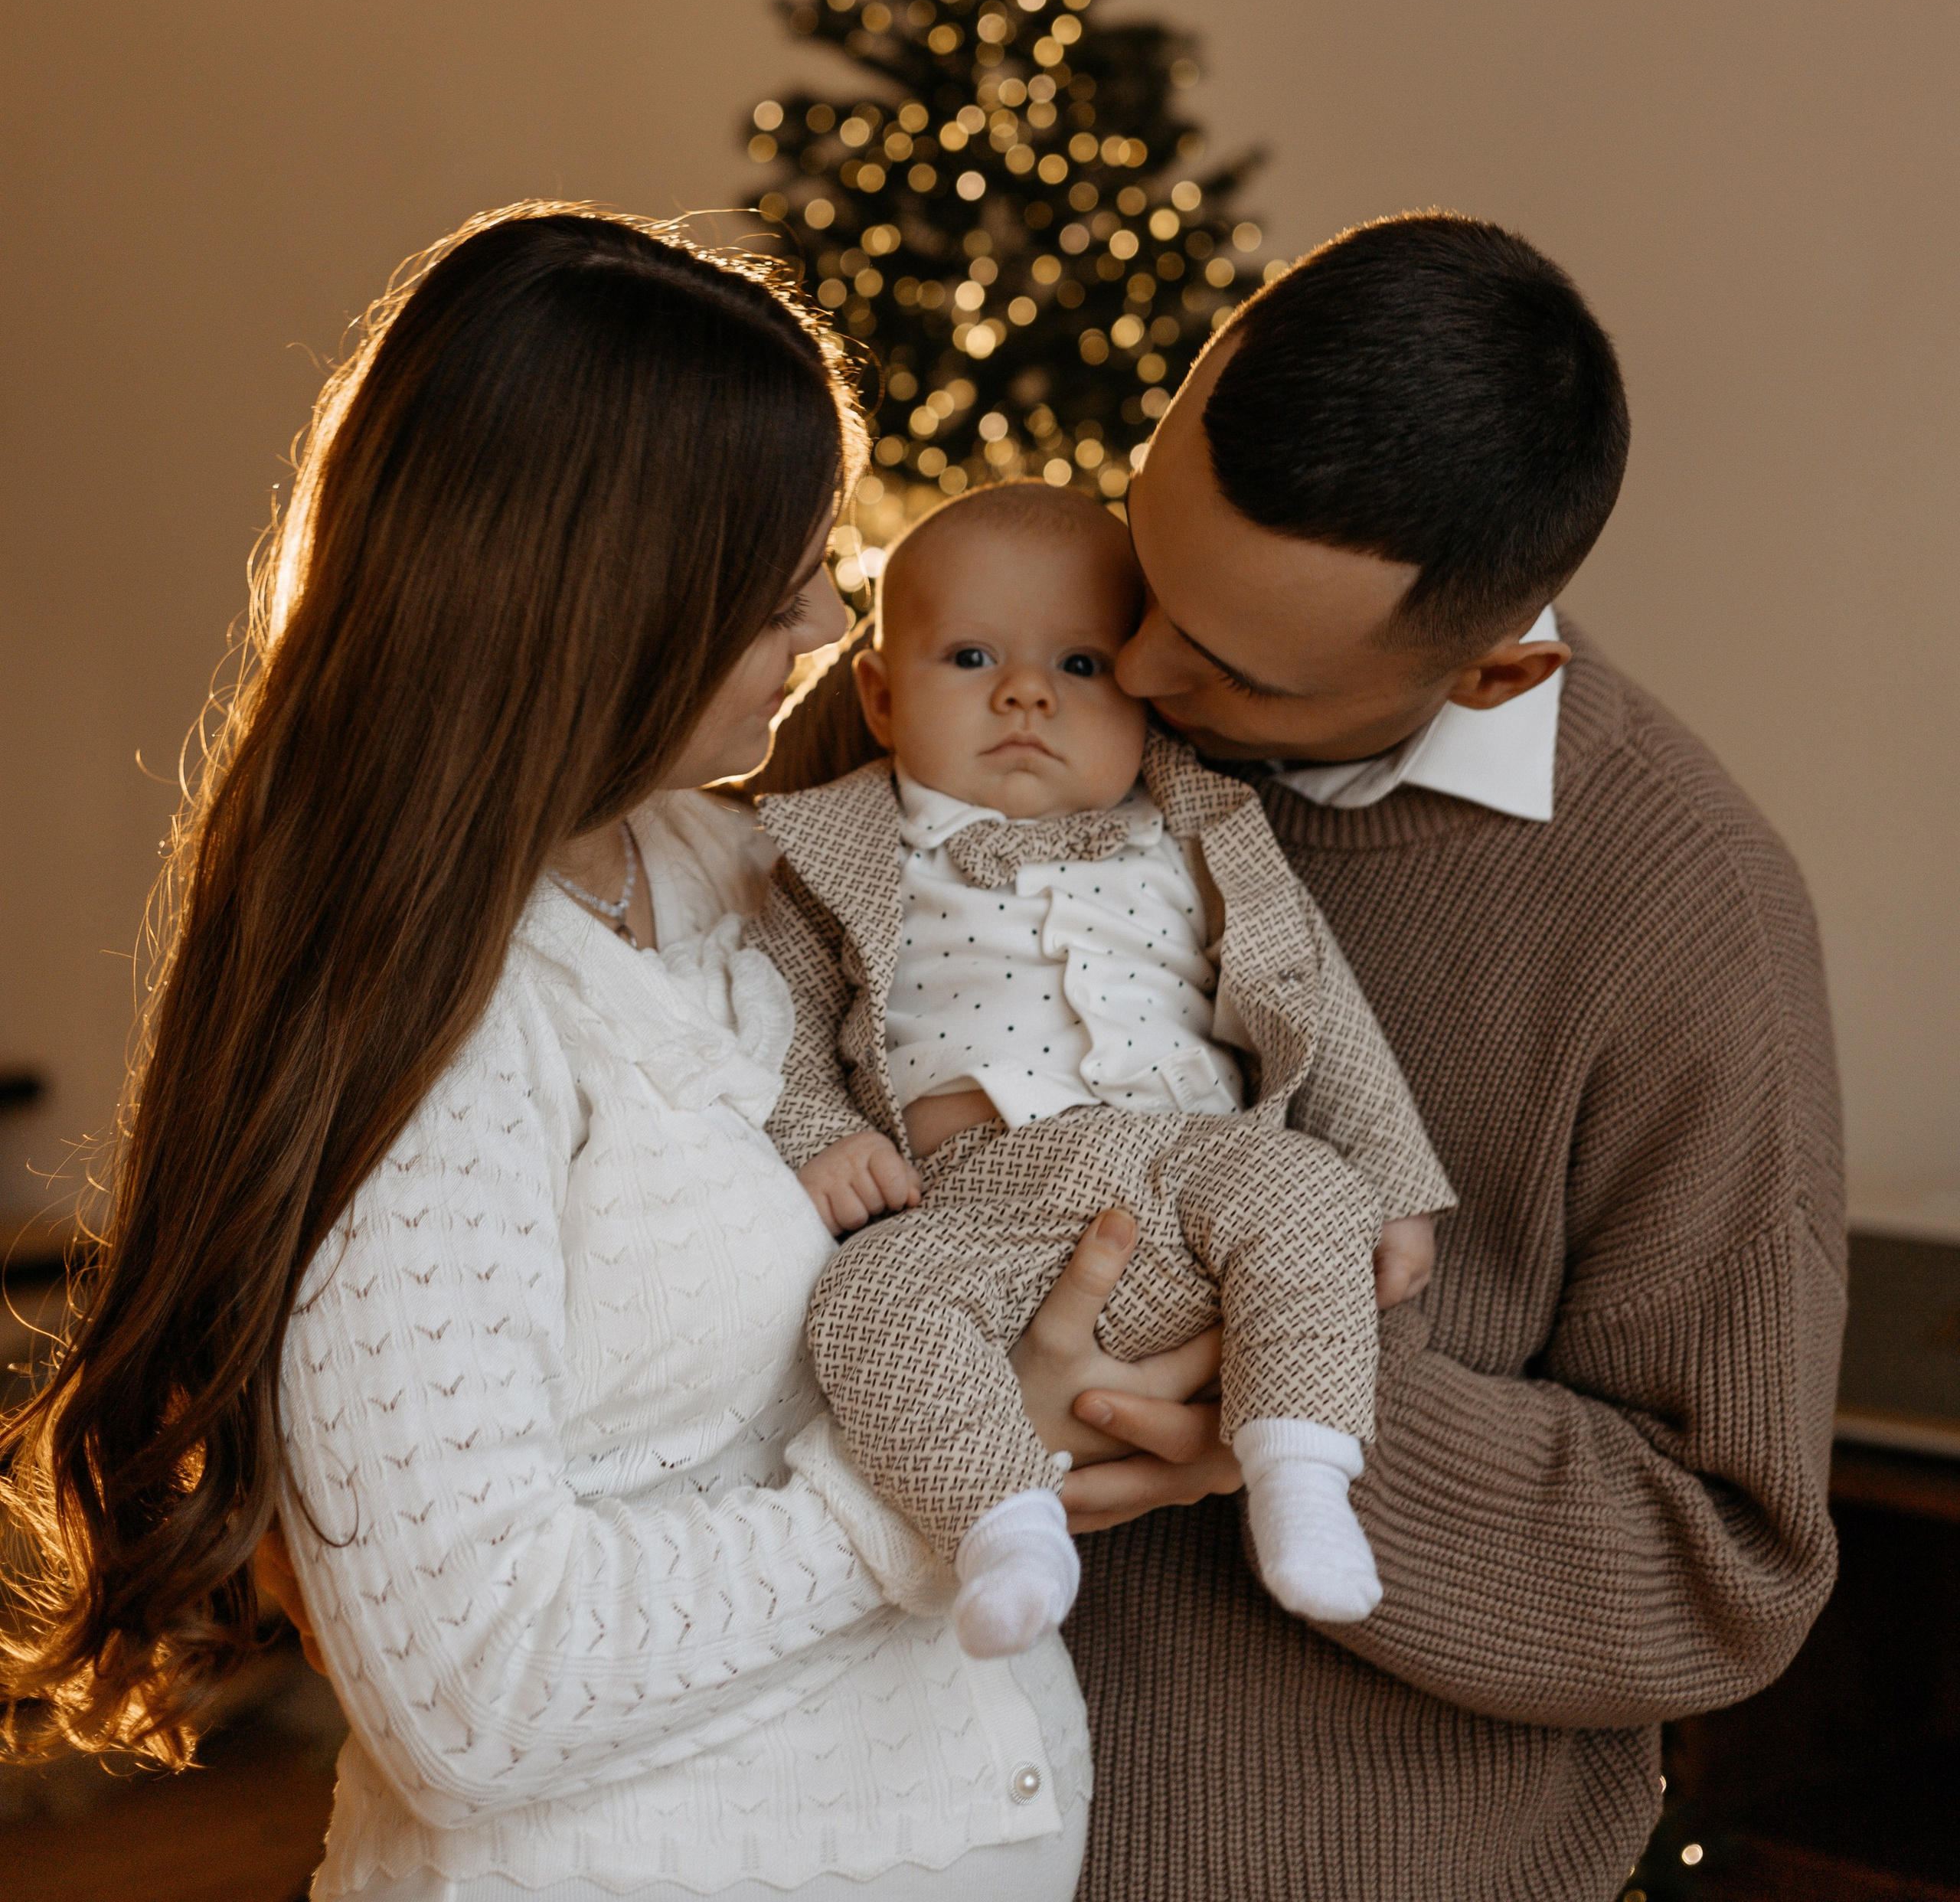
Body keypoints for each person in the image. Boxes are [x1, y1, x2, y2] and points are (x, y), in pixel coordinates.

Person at [0, 204, 1214, 1902]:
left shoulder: (732, 872)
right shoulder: (433, 1026)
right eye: (779, 578)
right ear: (602, 607)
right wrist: (943, 1477)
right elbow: (473, 1696)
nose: (822, 625)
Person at [764, 212, 1847, 1902]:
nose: (1122, 670)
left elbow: (1722, 1570)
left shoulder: (1678, 912)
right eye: (1146, 565)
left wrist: (1263, 1389)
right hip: (871, 1841)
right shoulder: (984, 677)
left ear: (1494, 666)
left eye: (1221, 670)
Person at [750, 480, 1454, 1657]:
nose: (1025, 693)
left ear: (1147, 700)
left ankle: (1303, 1479)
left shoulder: (1203, 830)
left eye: (1079, 666)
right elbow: (768, 1024)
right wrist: (819, 1133)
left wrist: (1393, 1172)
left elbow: (1320, 1004)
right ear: (877, 696)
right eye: (971, 656)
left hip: (1196, 1166)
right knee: (865, 1304)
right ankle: (1004, 1526)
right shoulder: (832, 854)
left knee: (1316, 1193)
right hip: (983, 1200)